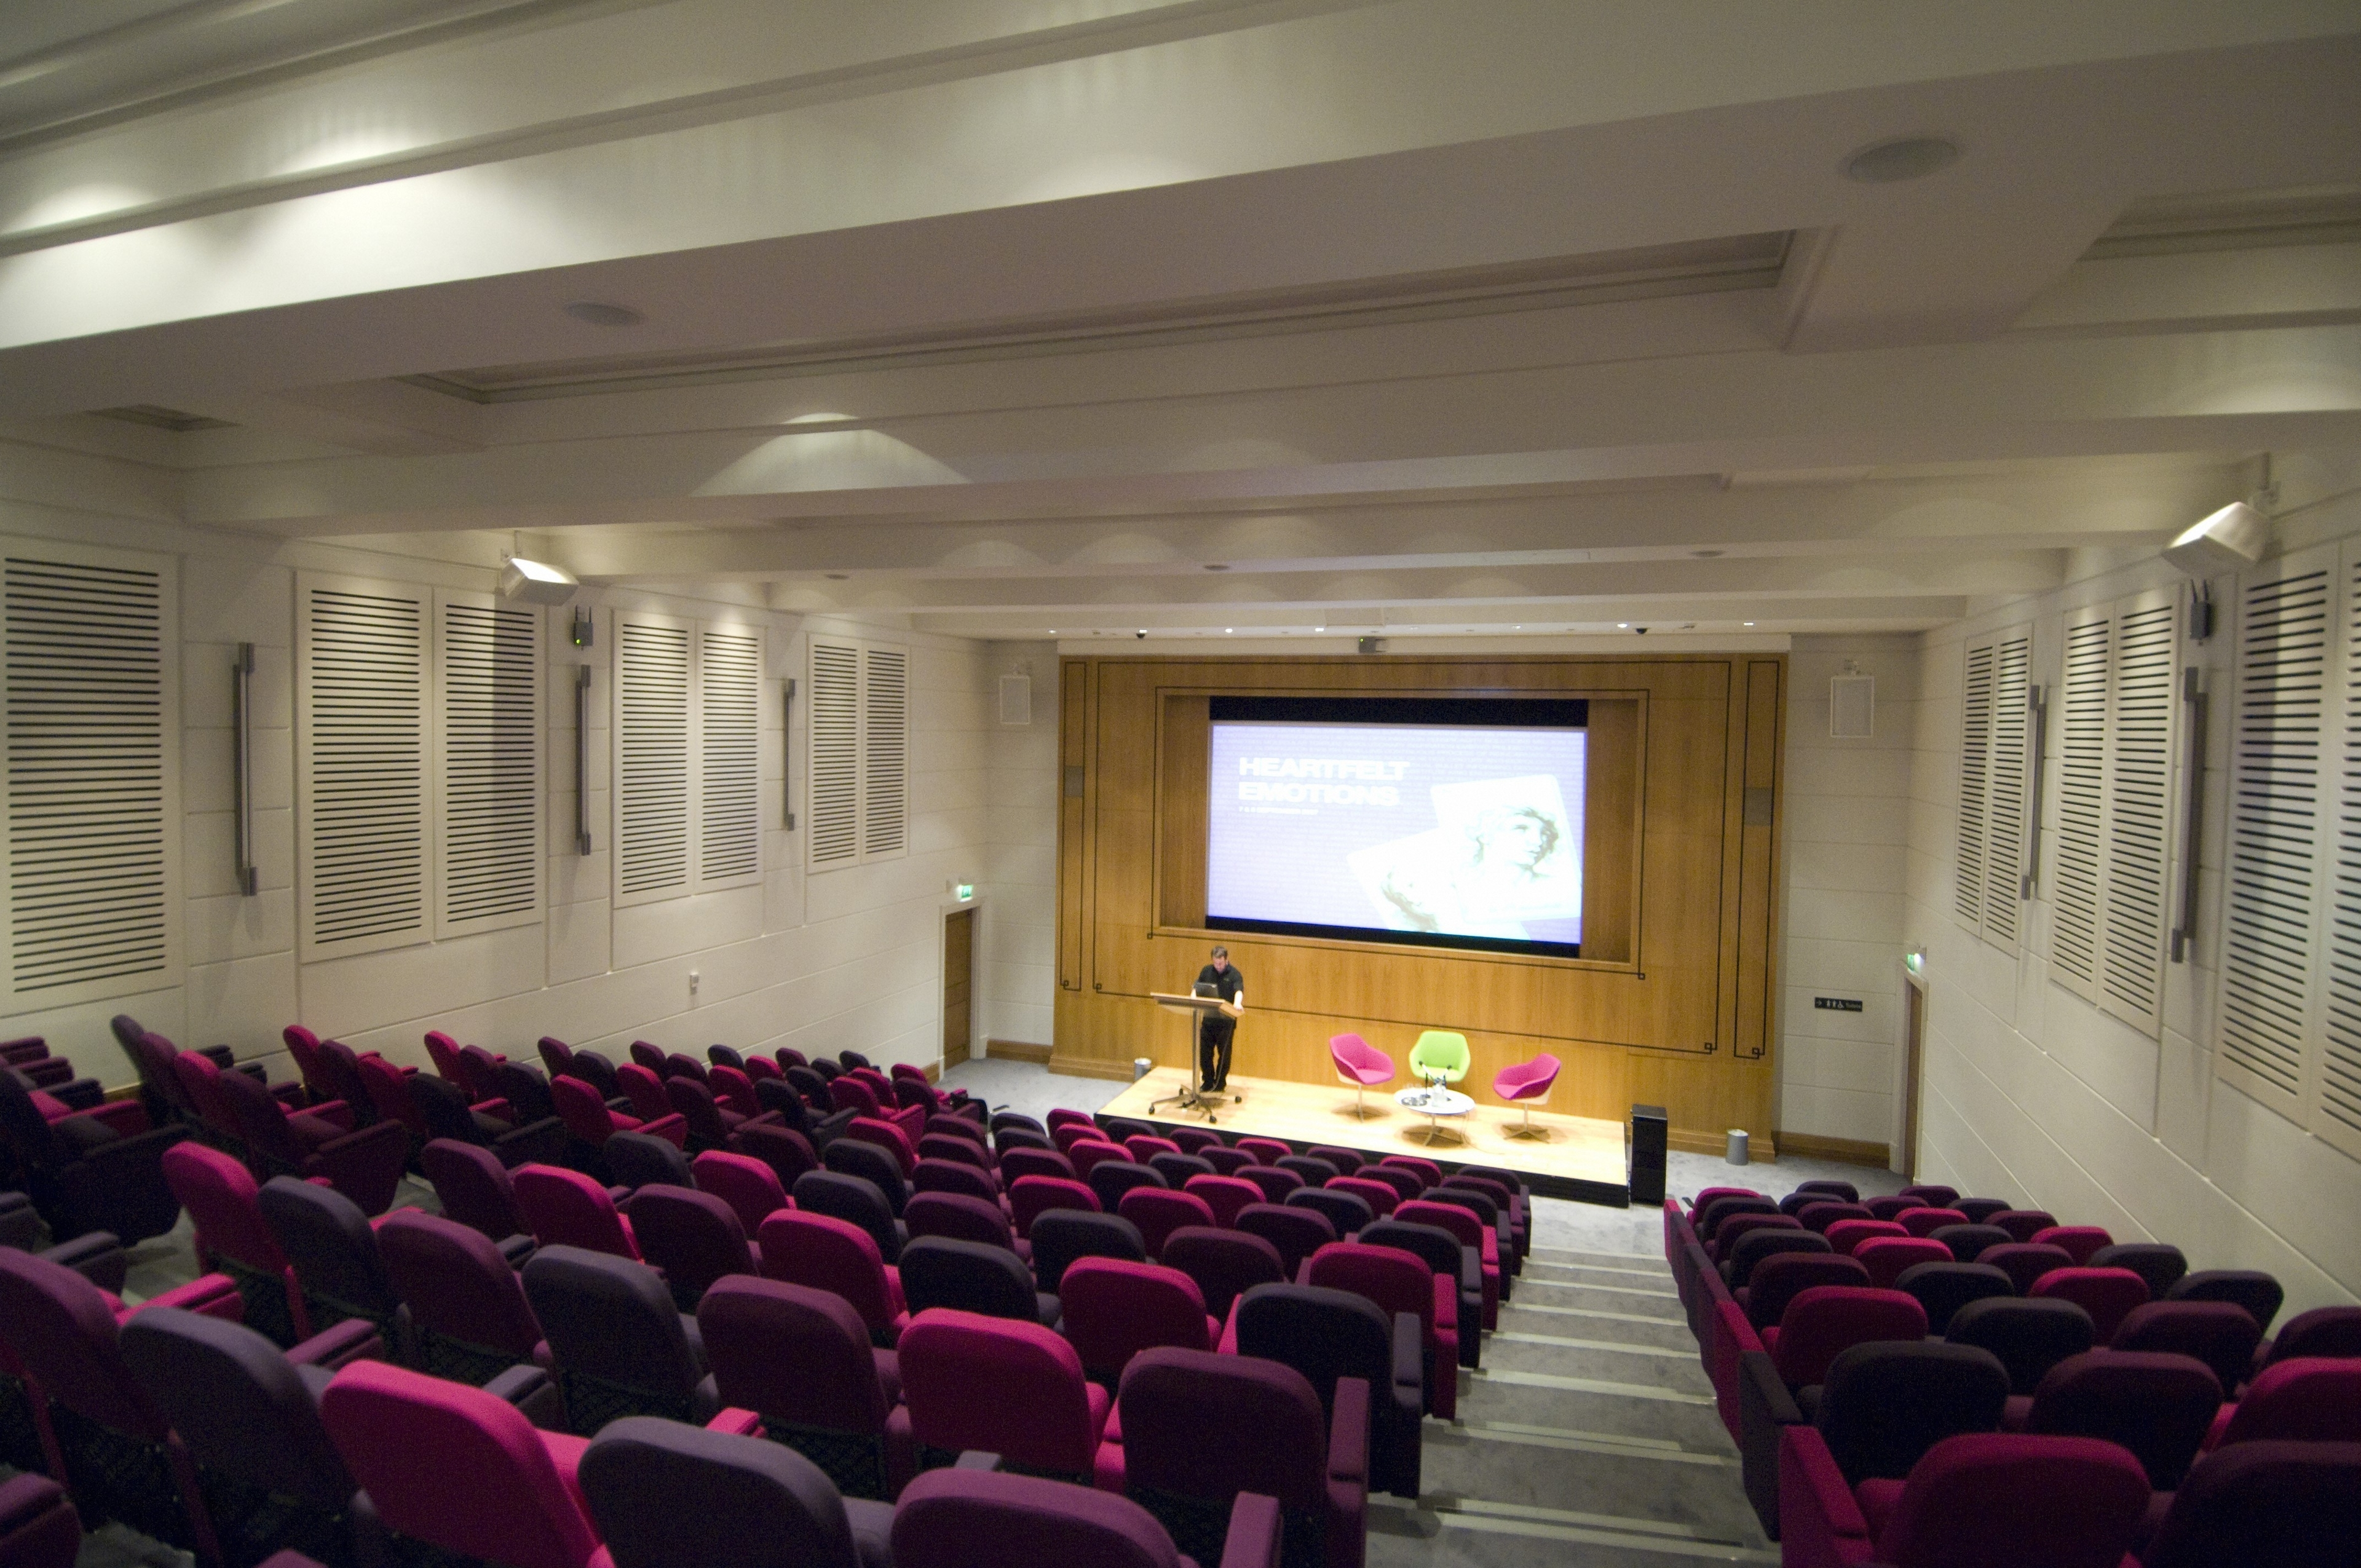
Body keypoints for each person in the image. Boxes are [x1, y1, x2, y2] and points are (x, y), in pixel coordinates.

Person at [1194, 945, 1244, 1094]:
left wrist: (1237, 1003)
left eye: (1221, 964)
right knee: (1205, 1052)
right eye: (1216, 963)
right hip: (1209, 1019)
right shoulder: (1207, 971)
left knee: (1224, 1054)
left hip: (1226, 1022)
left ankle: (1220, 1083)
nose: (1218, 966)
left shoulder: (1235, 974)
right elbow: (1197, 986)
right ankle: (1208, 1081)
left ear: (1226, 960)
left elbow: (1239, 990)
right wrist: (1193, 998)